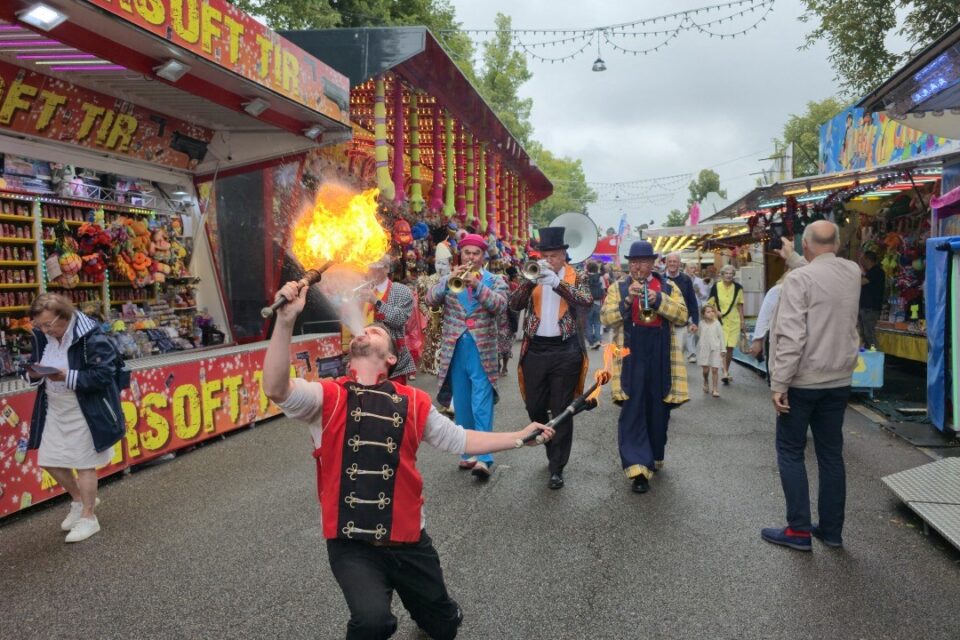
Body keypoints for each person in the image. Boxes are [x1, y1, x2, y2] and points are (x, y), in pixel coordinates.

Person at [263, 282, 553, 639]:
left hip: (409, 540)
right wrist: (285, 322)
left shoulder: (414, 401)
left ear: (390, 357)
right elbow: (277, 388)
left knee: (443, 627)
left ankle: (435, 613)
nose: (367, 329)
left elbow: (459, 438)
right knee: (373, 623)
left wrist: (518, 437)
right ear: (352, 353)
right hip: (352, 545)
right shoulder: (327, 397)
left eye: (378, 331)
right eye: (366, 328)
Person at [761, 220, 861, 552]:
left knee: (790, 452)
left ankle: (799, 530)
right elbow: (821, 276)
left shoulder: (799, 280)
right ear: (836, 243)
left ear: (806, 244)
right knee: (831, 454)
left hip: (803, 380)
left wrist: (780, 382)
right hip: (838, 379)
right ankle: (831, 531)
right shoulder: (851, 273)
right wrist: (795, 259)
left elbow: (791, 336)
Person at [24, 293, 125, 543]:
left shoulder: (92, 336)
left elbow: (104, 375)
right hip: (54, 407)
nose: (45, 330)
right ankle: (80, 501)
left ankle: (90, 518)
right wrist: (34, 374)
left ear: (64, 315)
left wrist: (66, 376)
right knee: (49, 458)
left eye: (48, 324)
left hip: (84, 407)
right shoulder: (43, 336)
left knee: (83, 463)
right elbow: (31, 366)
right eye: (40, 325)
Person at [601, 241, 688, 494]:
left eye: (643, 262)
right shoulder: (619, 287)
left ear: (652, 263)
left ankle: (654, 455)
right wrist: (628, 300)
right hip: (631, 354)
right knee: (633, 409)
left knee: (658, 411)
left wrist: (658, 299)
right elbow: (605, 318)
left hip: (660, 353)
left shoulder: (669, 286)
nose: (638, 267)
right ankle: (638, 467)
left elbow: (682, 316)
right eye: (634, 262)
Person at [510, 227, 593, 490]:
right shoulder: (531, 271)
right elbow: (514, 304)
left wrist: (557, 283)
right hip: (535, 349)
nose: (549, 260)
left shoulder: (576, 275)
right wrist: (531, 280)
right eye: (545, 255)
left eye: (554, 255)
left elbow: (586, 301)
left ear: (564, 254)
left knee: (562, 409)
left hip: (565, 349)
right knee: (534, 407)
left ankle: (557, 467)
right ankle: (550, 449)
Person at [426, 234, 508, 480]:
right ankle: (468, 452)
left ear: (483, 257)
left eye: (475, 253)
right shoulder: (448, 279)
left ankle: (485, 457)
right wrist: (447, 280)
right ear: (460, 255)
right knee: (461, 402)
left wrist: (477, 285)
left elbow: (500, 306)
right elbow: (430, 299)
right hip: (455, 348)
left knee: (481, 401)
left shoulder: (496, 280)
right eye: (467, 253)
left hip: (482, 348)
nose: (471, 257)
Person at [356, 256, 416, 384]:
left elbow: (399, 319)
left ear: (387, 268)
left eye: (375, 269)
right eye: (369, 269)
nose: (370, 272)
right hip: (366, 358)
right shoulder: (362, 290)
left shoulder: (401, 290)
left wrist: (376, 301)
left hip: (392, 361)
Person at [707, 264, 744, 385]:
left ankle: (726, 371)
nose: (728, 275)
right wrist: (715, 311)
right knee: (722, 347)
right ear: (722, 275)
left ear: (733, 275)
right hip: (720, 321)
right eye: (726, 273)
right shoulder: (715, 287)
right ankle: (725, 373)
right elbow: (710, 303)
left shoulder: (738, 287)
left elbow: (740, 305)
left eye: (731, 273)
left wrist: (742, 322)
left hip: (734, 321)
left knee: (730, 348)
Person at [663, 252, 700, 362]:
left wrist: (695, 322)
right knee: (665, 355)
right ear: (666, 263)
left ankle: (677, 378)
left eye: (675, 261)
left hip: (681, 324)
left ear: (679, 263)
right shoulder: (660, 279)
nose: (672, 263)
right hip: (664, 324)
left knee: (678, 355)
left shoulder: (686, 279)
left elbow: (692, 301)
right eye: (670, 261)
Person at [697, 303, 725, 398]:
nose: (711, 313)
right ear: (703, 314)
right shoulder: (701, 324)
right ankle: (705, 381)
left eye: (712, 311)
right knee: (705, 371)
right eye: (708, 312)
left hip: (715, 349)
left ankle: (715, 389)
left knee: (715, 370)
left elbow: (721, 337)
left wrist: (723, 349)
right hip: (704, 349)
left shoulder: (717, 323)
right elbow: (698, 334)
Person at [859, 250, 885, 349]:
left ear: (867, 259)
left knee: (869, 333)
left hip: (871, 308)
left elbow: (862, 282)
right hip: (864, 307)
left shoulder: (877, 271)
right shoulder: (869, 272)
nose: (861, 262)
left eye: (862, 259)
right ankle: (867, 356)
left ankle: (875, 356)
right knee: (864, 334)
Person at [686, 262, 709, 362]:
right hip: (685, 307)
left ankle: (693, 350)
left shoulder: (700, 281)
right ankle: (692, 353)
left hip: (697, 308)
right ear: (686, 269)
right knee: (690, 330)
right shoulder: (683, 279)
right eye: (691, 267)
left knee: (696, 329)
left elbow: (704, 296)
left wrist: (698, 291)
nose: (693, 270)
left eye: (694, 268)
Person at [585, 261, 605, 349]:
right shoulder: (600, 277)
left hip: (587, 304)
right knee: (597, 323)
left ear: (588, 268)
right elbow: (604, 289)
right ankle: (597, 340)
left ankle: (591, 342)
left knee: (588, 323)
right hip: (598, 303)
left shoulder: (585, 277)